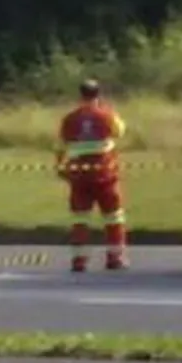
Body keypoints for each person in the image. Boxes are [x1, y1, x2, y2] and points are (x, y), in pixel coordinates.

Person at [55, 79, 128, 272]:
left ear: (80, 95)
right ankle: (115, 258)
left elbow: (61, 146)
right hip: (105, 174)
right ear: (98, 95)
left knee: (80, 218)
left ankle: (79, 261)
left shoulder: (69, 119)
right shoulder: (107, 115)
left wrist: (60, 167)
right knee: (114, 217)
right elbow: (120, 132)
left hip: (79, 176)